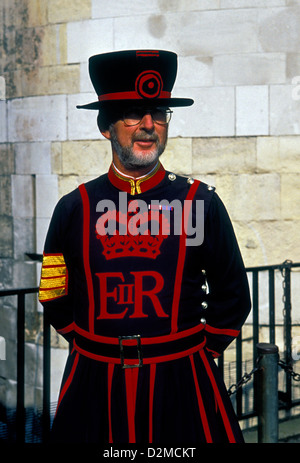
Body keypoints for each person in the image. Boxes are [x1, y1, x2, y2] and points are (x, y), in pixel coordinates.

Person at [38, 49, 251, 444]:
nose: (149, 125)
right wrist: (92, 350)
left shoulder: (199, 203)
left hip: (183, 380)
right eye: (134, 113)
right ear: (106, 126)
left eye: (159, 113)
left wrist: (200, 355)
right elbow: (54, 296)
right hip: (94, 384)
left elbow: (234, 295)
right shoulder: (73, 208)